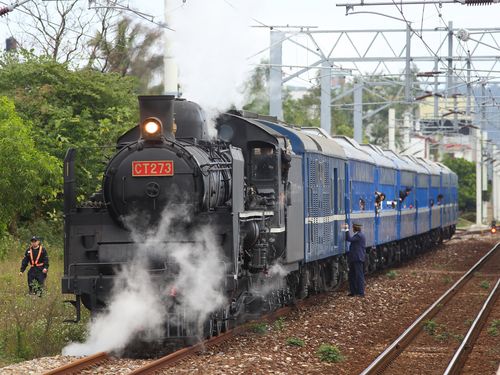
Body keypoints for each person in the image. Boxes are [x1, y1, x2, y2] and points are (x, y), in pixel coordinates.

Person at [343, 222, 366, 297]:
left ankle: (361, 292)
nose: (352, 229)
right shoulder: (359, 235)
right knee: (352, 275)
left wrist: (346, 229)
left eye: (352, 227)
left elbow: (349, 239)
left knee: (359, 275)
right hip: (354, 258)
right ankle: (353, 291)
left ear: (355, 228)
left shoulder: (359, 236)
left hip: (357, 258)